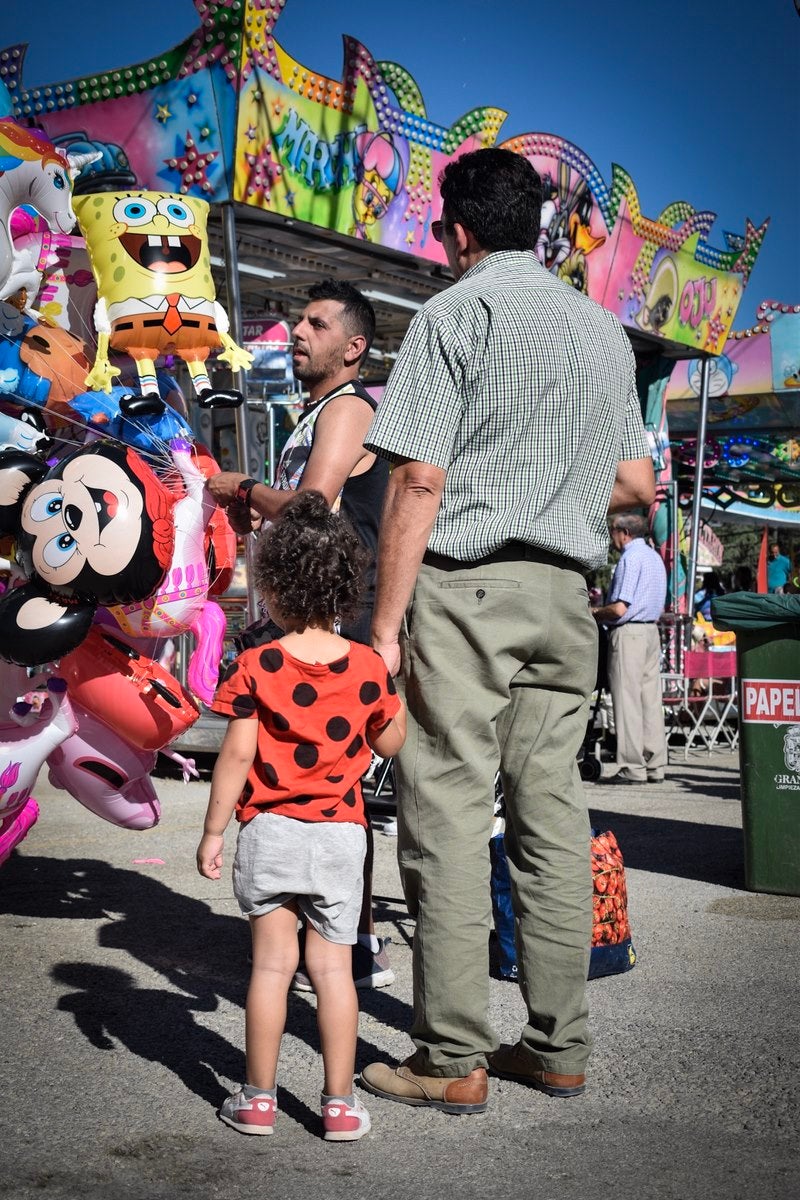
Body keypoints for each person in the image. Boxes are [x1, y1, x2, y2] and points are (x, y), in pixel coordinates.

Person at [357, 147, 655, 1114]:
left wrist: (386, 623)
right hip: (569, 594)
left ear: (457, 232)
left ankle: (451, 1059)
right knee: (551, 815)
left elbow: (418, 479)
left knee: (443, 814)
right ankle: (558, 1045)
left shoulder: (456, 313)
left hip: (466, 584)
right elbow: (638, 491)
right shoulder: (605, 333)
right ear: (536, 226)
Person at [196, 492, 406, 1140]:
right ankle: (339, 1104)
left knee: (270, 969)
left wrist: (212, 831)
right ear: (346, 587)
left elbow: (235, 755)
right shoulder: (368, 668)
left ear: (276, 588)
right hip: (341, 837)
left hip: (270, 832)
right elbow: (391, 742)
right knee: (334, 973)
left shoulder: (258, 666)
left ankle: (258, 1099)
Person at [208, 279, 394, 989]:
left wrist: (244, 489)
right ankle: (323, 937)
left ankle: (353, 940)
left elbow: (313, 504)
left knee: (333, 786)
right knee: (296, 778)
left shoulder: (347, 408)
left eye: (316, 323)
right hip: (300, 612)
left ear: (353, 347)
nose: (297, 331)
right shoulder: (315, 411)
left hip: (336, 620)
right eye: (297, 320)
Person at [590, 514, 668, 784]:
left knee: (627, 702)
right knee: (650, 701)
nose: (612, 537)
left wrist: (595, 612)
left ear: (624, 532)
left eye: (613, 531)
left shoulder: (629, 558)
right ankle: (655, 765)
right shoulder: (654, 557)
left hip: (629, 633)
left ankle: (632, 767)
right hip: (650, 631)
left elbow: (620, 607)